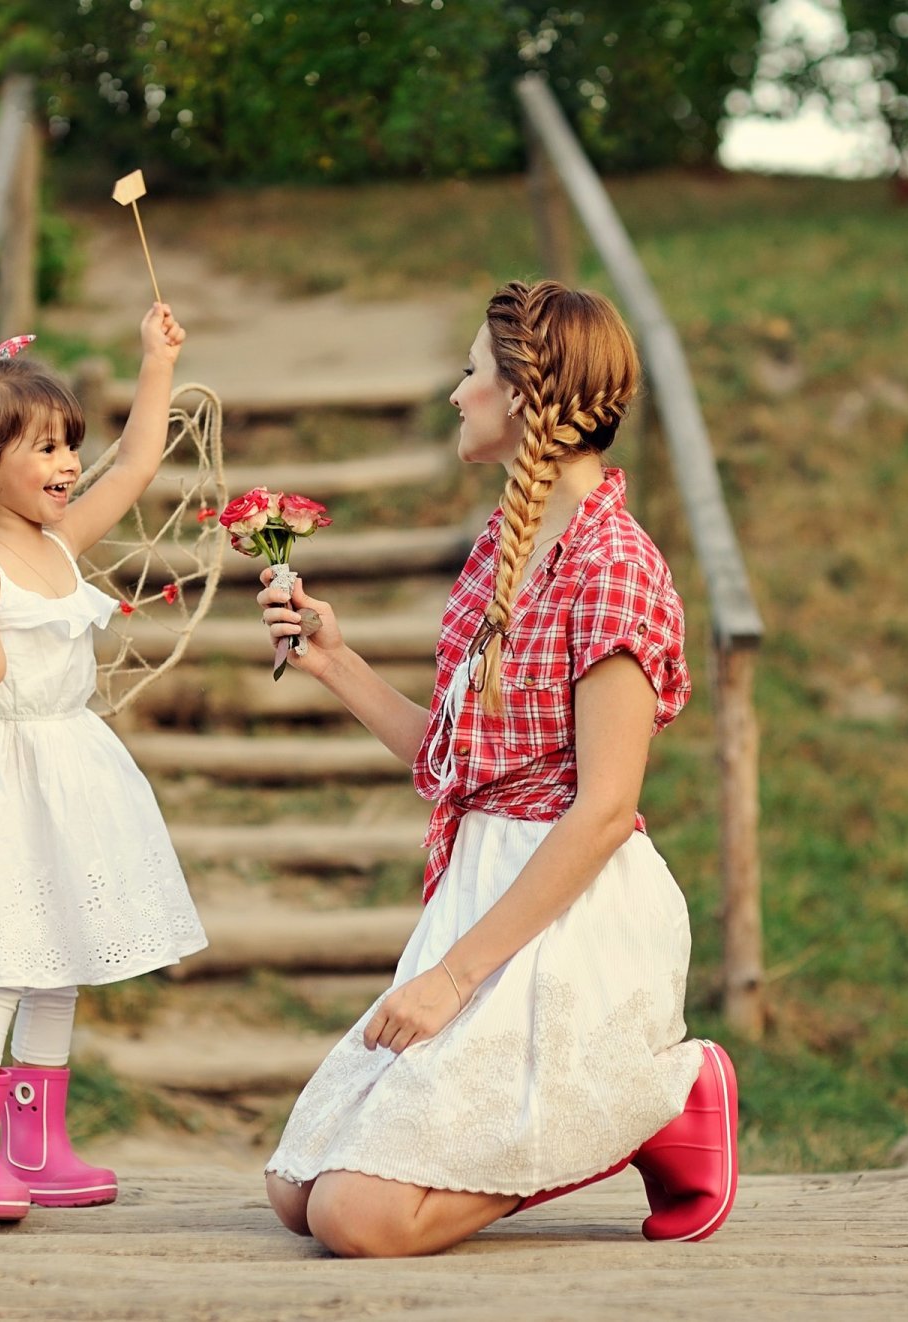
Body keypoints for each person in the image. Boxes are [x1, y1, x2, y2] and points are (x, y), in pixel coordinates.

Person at [255, 280, 738, 1257]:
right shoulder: (509, 550)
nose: (455, 393)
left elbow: (604, 812)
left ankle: (659, 1097)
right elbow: (455, 765)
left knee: (357, 1215)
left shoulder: (614, 563)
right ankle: (618, 1109)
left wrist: (449, 978)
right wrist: (333, 661)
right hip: (482, 896)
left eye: (471, 371)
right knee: (293, 1187)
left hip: (565, 922)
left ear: (521, 395)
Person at [0, 305, 206, 1221]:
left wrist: (154, 361)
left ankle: (37, 1140)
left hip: (67, 766)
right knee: (4, 954)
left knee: (58, 954)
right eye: (48, 450)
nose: (69, 466)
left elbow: (137, 462)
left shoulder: (60, 542)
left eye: (70, 445)